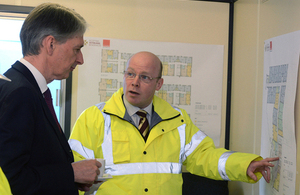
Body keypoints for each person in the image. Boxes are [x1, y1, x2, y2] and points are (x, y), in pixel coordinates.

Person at [69, 51, 279, 195]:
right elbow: (73, 176)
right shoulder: (93, 118)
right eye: (130, 74)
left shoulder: (177, 119)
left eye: (144, 77)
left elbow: (204, 156)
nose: (134, 82)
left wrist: (244, 165)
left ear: (159, 84)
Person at [0, 3, 102, 195]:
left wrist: (71, 178)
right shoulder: (21, 94)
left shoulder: (18, 85)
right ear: (50, 44)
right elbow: (10, 179)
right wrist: (70, 173)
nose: (80, 59)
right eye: (76, 49)